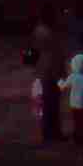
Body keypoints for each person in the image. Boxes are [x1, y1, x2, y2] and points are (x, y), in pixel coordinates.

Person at [31, 9, 65, 144]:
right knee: (52, 105)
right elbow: (54, 57)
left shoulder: (38, 32)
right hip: (50, 73)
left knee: (48, 105)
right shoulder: (49, 34)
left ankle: (49, 132)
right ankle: (52, 133)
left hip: (43, 72)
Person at [59, 52, 83, 147]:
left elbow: (63, 87)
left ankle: (77, 138)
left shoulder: (72, 77)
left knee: (77, 122)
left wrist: (59, 81)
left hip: (74, 105)